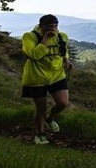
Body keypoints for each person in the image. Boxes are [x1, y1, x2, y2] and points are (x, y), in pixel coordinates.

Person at [21, 14, 73, 145]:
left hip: (57, 75)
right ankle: (40, 134)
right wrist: (44, 40)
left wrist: (66, 60)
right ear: (40, 27)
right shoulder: (29, 37)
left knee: (63, 103)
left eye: (55, 26)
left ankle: (49, 118)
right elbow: (33, 55)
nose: (53, 29)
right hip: (36, 77)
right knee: (41, 107)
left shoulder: (62, 36)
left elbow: (64, 49)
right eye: (49, 27)